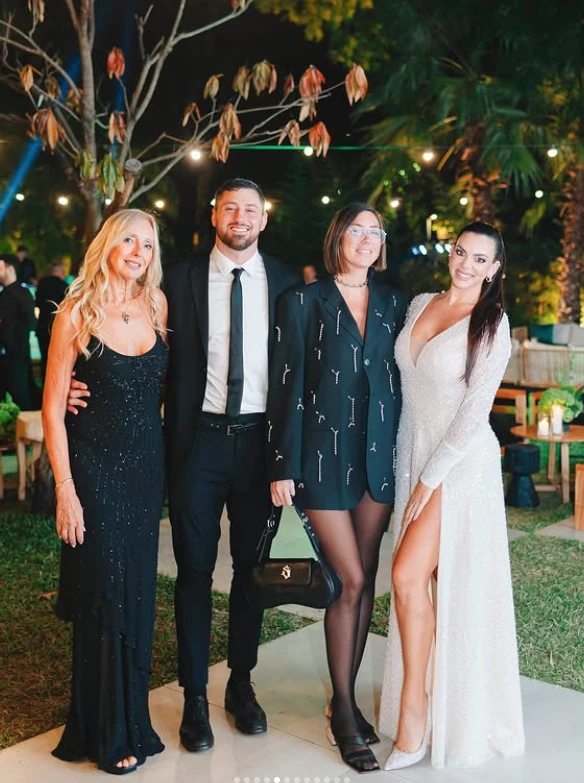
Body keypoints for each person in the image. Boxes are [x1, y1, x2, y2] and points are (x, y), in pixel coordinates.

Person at [68, 178, 300, 754]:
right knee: (194, 571)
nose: (240, 217)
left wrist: (289, 456)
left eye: (251, 209)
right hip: (197, 445)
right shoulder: (177, 280)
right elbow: (136, 350)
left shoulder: (288, 284)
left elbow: (297, 376)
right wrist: (79, 381)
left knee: (251, 571)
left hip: (260, 446)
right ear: (215, 216)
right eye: (230, 208)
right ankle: (195, 695)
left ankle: (241, 683)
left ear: (264, 219)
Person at [379, 221, 525, 770]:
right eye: (461, 252)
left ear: (495, 269)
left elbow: (473, 414)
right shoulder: (421, 303)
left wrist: (429, 479)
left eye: (479, 259)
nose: (466, 265)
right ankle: (437, 703)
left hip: (458, 465)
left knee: (405, 576)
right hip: (412, 453)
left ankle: (415, 714)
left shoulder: (492, 322)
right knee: (427, 584)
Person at [267, 203, 407, 773]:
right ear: (338, 237)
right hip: (321, 460)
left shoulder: (396, 303)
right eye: (357, 230)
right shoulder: (301, 301)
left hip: (378, 459)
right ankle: (345, 711)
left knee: (365, 578)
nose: (367, 239)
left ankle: (340, 699)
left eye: (375, 232)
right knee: (346, 579)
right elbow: (286, 386)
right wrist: (281, 464)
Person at [43, 209, 168, 775]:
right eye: (129, 240)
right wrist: (65, 490)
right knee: (105, 590)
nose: (139, 252)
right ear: (108, 244)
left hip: (145, 472)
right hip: (92, 469)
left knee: (136, 593)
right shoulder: (75, 312)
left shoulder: (157, 305)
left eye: (148, 244)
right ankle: (104, 731)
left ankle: (133, 720)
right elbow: (52, 409)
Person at [0, 254, 35, 409]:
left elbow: (30, 323)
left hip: (16, 354)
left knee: (18, 394)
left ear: (10, 269)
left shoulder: (19, 294)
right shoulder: (9, 294)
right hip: (12, 353)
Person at [35, 259, 69, 381]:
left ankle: (44, 383)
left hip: (42, 326)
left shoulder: (42, 283)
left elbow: (37, 303)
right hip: (58, 328)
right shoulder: (64, 286)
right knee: (56, 359)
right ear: (61, 271)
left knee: (44, 357)